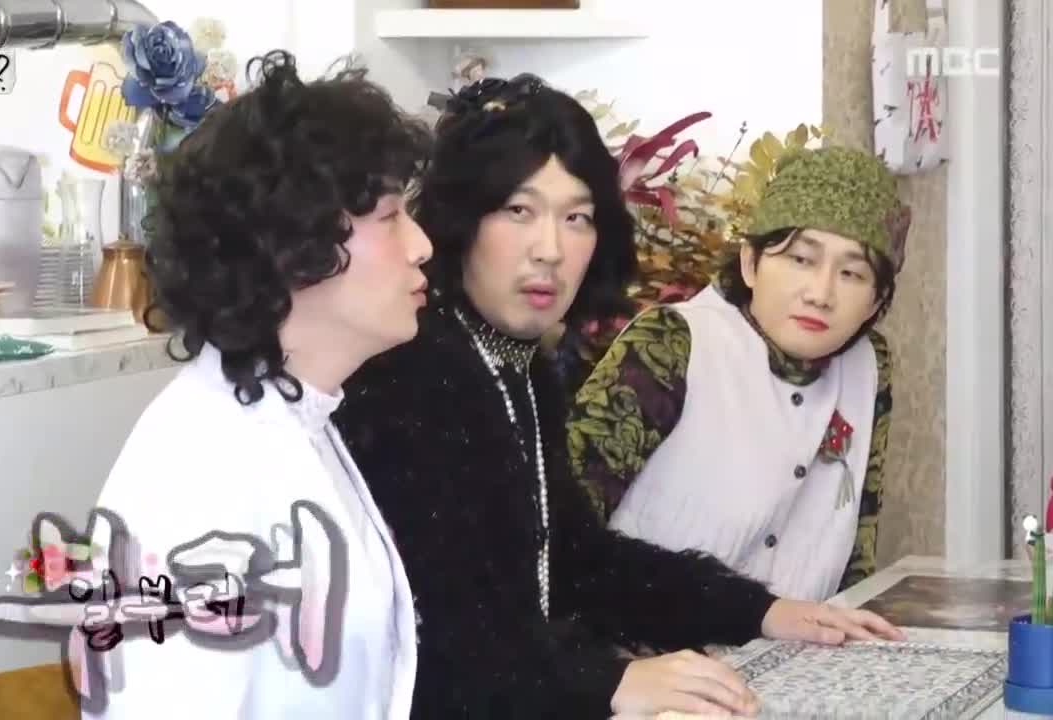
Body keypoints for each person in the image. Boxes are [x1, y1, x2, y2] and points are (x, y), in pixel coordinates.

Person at [334, 77, 903, 720]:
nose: (550, 251)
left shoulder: (517, 366)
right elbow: (435, 636)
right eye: (519, 211)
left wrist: (761, 611)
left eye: (576, 218)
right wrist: (609, 681)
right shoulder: (408, 375)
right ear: (459, 220)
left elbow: (578, 560)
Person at [82, 50, 433, 719]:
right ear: (292, 243)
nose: (422, 246)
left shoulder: (295, 419)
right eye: (391, 217)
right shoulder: (202, 468)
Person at [566, 145, 908, 602]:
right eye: (801, 259)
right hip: (645, 639)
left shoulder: (869, 366)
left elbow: (857, 547)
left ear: (876, 301)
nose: (820, 294)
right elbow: (562, 530)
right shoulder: (673, 342)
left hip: (802, 644)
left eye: (851, 273)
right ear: (751, 263)